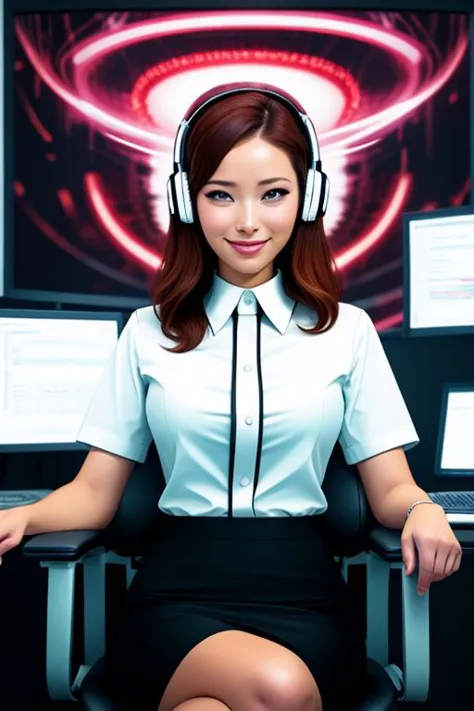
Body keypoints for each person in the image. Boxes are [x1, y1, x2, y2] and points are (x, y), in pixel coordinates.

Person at [0, 83, 462, 711]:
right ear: (187, 204)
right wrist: (23, 516)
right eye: (221, 195)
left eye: (273, 194)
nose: (248, 221)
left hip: (306, 596)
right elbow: (94, 494)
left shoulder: (348, 333)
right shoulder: (148, 333)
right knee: (275, 689)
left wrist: (424, 511)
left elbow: (390, 490)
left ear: (308, 198)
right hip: (174, 592)